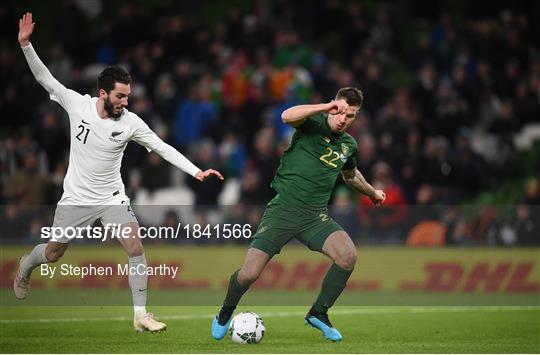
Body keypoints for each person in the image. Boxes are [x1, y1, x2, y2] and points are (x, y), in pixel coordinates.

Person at [13, 13, 224, 333]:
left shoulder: (131, 123)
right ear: (103, 94)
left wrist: (196, 172)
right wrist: (26, 45)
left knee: (135, 247)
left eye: (128, 95)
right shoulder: (77, 105)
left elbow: (161, 147)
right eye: (120, 96)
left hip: (112, 197)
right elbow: (46, 79)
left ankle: (140, 315)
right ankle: (26, 265)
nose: (126, 102)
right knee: (54, 254)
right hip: (76, 197)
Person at [211, 87, 386, 341]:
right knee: (249, 274)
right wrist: (324, 106)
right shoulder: (313, 122)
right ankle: (225, 312)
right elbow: (286, 116)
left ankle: (318, 313)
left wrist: (371, 192)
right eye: (340, 111)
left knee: (348, 256)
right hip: (283, 210)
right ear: (332, 105)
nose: (343, 119)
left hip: (315, 216)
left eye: (351, 115)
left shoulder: (348, 145)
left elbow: (350, 176)